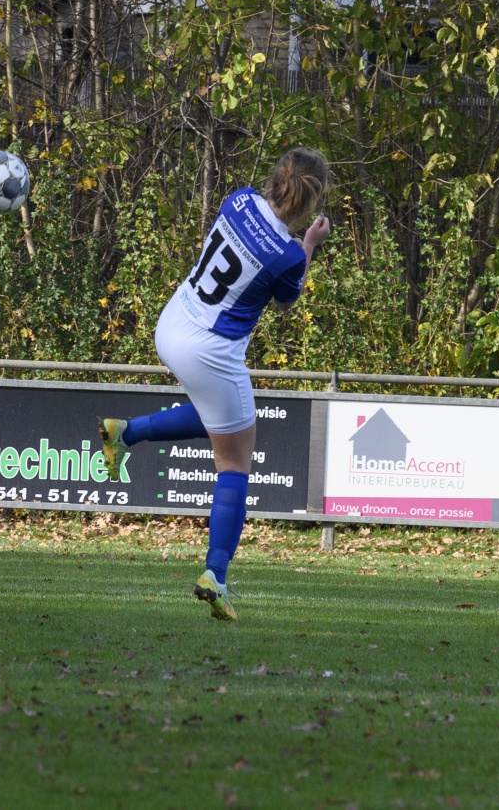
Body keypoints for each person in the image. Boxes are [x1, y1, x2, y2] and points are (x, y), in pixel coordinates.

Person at [99, 147, 331, 622]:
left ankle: (126, 432)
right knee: (235, 461)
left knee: (218, 421)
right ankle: (216, 575)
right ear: (310, 202)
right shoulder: (289, 255)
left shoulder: (239, 198)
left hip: (174, 321)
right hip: (210, 348)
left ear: (275, 179)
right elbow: (287, 300)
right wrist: (309, 243)